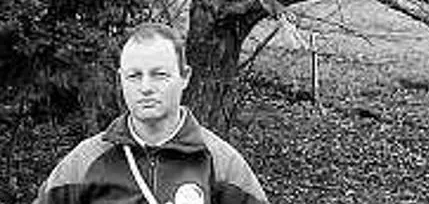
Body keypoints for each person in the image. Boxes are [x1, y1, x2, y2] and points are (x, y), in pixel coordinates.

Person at [33, 22, 269, 204]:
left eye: (159, 75)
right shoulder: (85, 161)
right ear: (121, 80)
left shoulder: (221, 164)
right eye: (134, 76)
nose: (145, 87)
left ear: (185, 77)